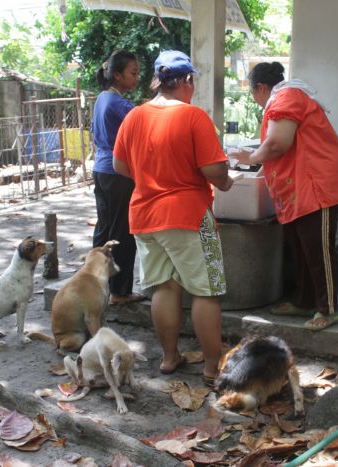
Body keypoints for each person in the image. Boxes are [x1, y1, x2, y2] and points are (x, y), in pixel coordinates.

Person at [113, 50, 233, 384]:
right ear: (187, 81)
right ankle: (211, 367)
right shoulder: (193, 116)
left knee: (164, 288)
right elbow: (214, 170)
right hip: (189, 215)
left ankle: (169, 357)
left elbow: (120, 165)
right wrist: (225, 179)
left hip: (145, 216)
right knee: (205, 292)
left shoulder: (134, 116)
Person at [230, 62, 338, 332]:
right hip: (300, 186)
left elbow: (276, 144)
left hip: (316, 184)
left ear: (260, 87)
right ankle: (304, 301)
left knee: (318, 250)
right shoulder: (286, 97)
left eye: (252, 93)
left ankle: (327, 309)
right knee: (301, 247)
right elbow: (276, 149)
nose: (255, 100)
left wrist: (249, 158)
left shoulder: (286, 98)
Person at [91, 50, 144, 305]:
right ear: (117, 75)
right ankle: (120, 292)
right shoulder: (121, 105)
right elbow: (146, 127)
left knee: (104, 230)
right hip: (119, 173)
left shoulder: (102, 98)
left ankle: (95, 284)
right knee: (123, 232)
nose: (137, 77)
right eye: (133, 73)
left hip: (100, 171)